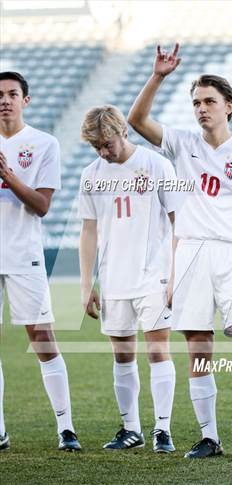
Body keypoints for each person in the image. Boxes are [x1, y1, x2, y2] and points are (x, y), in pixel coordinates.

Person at [128, 44, 232, 459]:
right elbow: (136, 120)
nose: (201, 109)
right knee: (199, 347)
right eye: (196, 102)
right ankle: (210, 437)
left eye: (210, 101)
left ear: (230, 106)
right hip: (191, 253)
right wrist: (157, 76)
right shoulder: (182, 143)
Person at [79, 105, 177, 452]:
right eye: (97, 148)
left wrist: (175, 274)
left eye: (107, 144)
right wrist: (86, 283)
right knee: (122, 354)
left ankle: (162, 430)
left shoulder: (157, 165)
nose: (103, 152)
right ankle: (130, 429)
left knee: (157, 349)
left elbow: (179, 221)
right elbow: (88, 231)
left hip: (154, 273)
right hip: (113, 276)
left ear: (123, 132)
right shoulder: (91, 174)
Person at [0, 71, 81, 451]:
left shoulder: (43, 144)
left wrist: (8, 176)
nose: (5, 100)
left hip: (23, 254)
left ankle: (66, 428)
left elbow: (42, 206)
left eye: (12, 94)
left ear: (25, 100)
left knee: (42, 338)